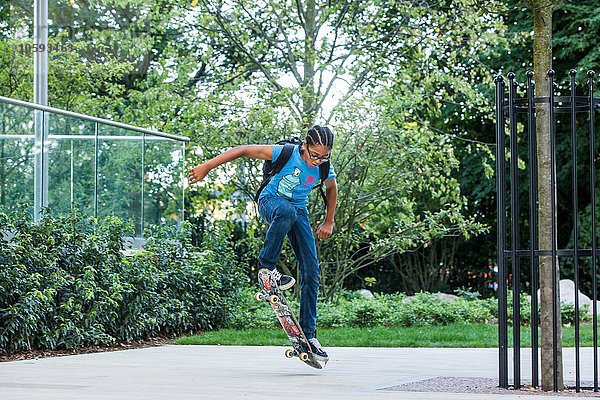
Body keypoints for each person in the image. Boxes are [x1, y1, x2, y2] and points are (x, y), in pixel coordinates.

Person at [188, 125, 337, 361]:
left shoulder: (325, 167)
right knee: (286, 210)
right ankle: (267, 268)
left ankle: (309, 335)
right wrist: (207, 166)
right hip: (271, 201)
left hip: (298, 211)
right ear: (305, 146)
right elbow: (243, 150)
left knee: (312, 270)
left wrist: (329, 221)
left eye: (323, 156)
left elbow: (331, 188)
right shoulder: (285, 152)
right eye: (314, 155)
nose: (317, 161)